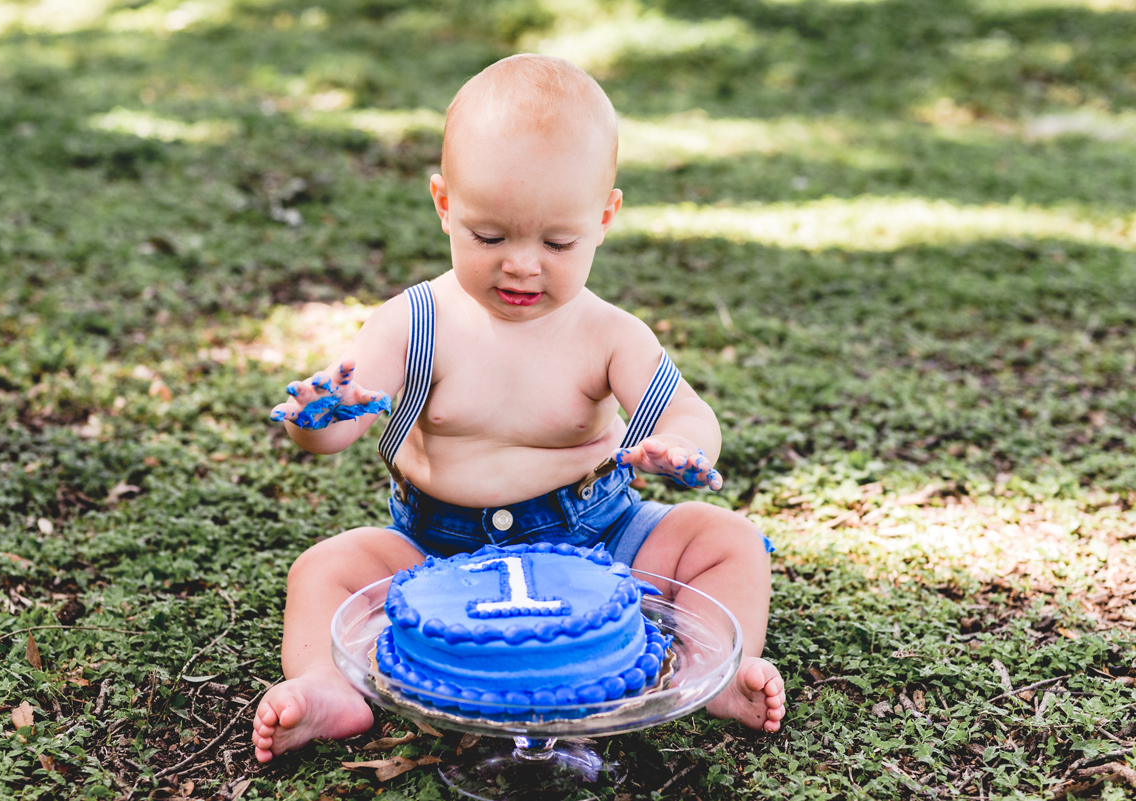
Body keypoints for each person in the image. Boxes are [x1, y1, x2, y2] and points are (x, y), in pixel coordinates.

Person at [251, 54, 786, 764]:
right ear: (445, 205)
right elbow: (340, 426)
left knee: (726, 542)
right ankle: (329, 684)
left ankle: (712, 668)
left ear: (604, 219)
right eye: (490, 236)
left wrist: (680, 448)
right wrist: (315, 415)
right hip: (436, 551)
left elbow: (690, 415)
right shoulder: (414, 321)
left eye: (558, 242)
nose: (522, 265)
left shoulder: (609, 333)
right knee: (325, 569)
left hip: (601, 536)